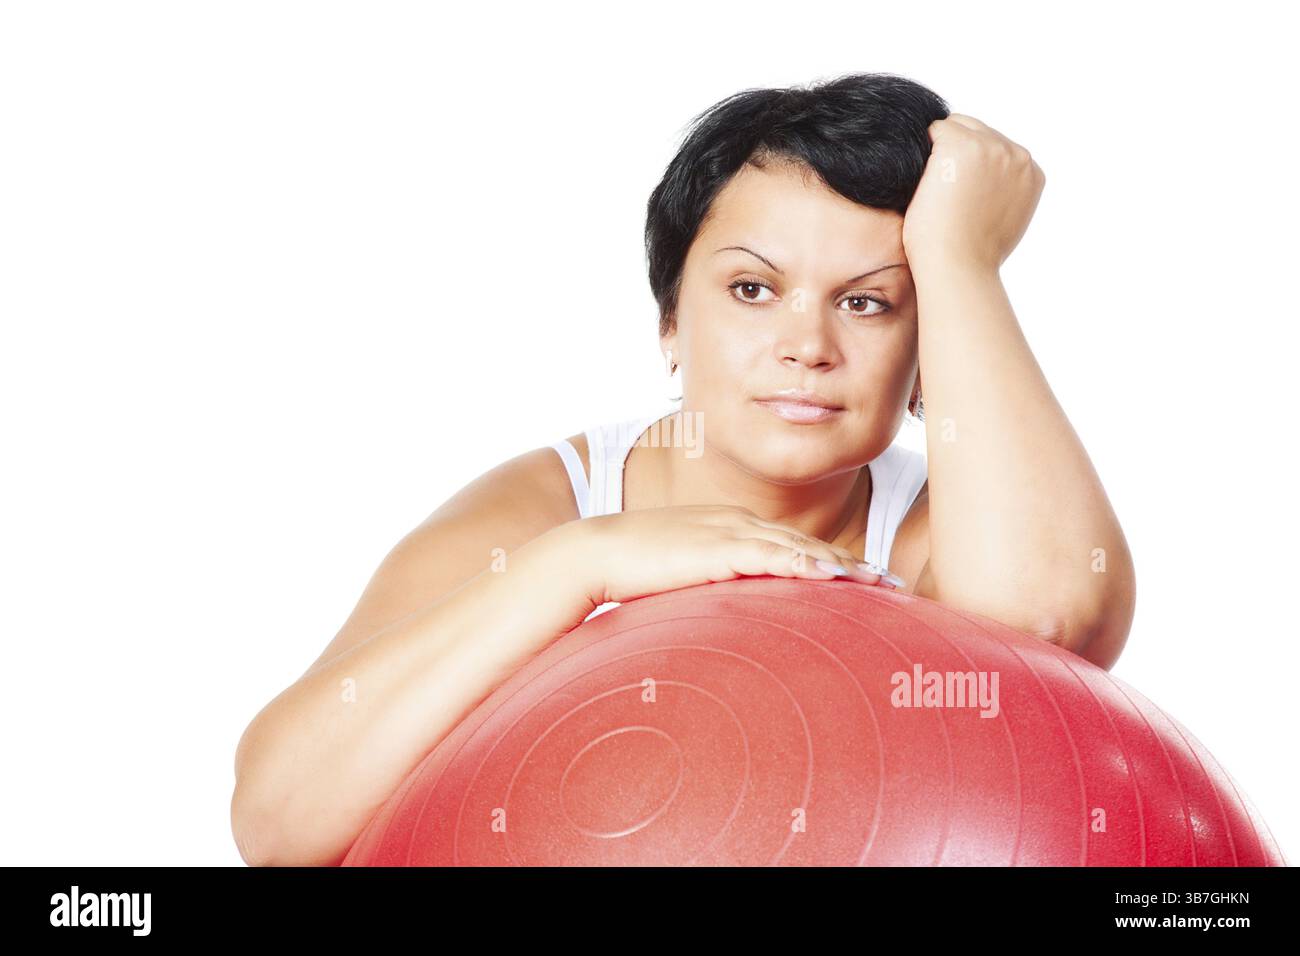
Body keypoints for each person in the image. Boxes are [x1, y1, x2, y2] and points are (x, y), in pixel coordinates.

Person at [231, 71, 1136, 866]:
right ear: (670, 321)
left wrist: (961, 262)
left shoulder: (950, 533)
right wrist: (582, 564)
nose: (807, 346)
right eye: (752, 289)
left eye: (868, 303)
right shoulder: (548, 509)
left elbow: (1048, 622)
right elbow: (277, 820)